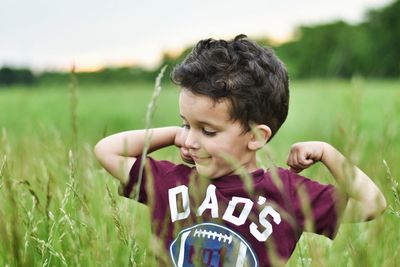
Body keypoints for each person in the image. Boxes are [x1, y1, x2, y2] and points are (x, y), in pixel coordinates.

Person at [94, 34, 386, 266]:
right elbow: (107, 151)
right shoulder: (172, 183)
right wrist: (175, 135)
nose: (192, 141)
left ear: (257, 136)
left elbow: (372, 203)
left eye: (208, 131)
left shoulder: (286, 193)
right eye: (186, 125)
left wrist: (327, 152)